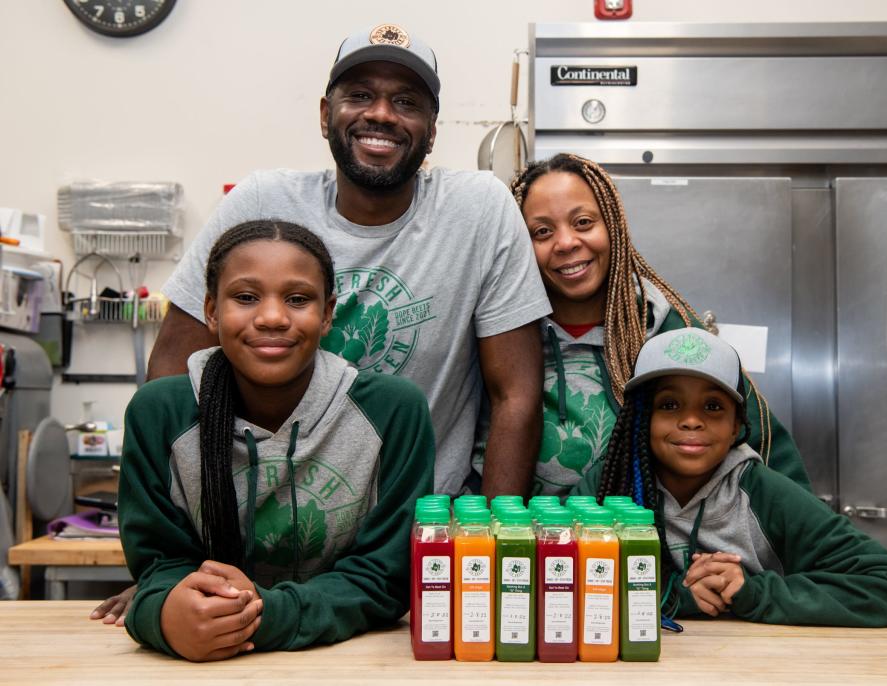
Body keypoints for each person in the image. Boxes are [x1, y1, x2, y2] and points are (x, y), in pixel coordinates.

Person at [93, 24, 549, 626]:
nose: (381, 115)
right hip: (245, 547)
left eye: (407, 102)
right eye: (359, 94)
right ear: (325, 112)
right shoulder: (263, 201)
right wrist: (172, 573)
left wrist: (489, 554)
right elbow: (174, 372)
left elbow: (514, 394)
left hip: (398, 554)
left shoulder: (479, 210)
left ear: (434, 129)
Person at [117, 220, 435, 660]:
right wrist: (167, 617)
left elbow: (385, 576)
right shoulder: (158, 412)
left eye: (298, 299)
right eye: (245, 297)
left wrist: (268, 616)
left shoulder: (394, 411)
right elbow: (159, 567)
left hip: (356, 659)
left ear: (327, 314)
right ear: (211, 310)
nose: (271, 317)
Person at [472, 153, 810, 496]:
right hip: (527, 543)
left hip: (646, 545)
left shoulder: (671, 332)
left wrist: (790, 539)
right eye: (542, 231)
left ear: (613, 227)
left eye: (584, 222)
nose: (566, 242)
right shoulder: (501, 334)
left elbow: (765, 450)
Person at [576, 326, 887, 626]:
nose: (692, 421)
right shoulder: (610, 485)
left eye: (713, 407)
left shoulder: (765, 493)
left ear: (737, 427)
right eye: (669, 405)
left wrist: (751, 591)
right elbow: (552, 581)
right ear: (640, 420)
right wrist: (676, 598)